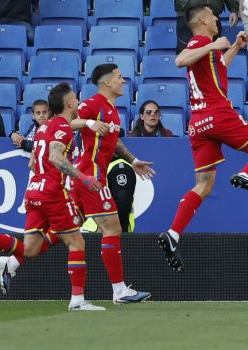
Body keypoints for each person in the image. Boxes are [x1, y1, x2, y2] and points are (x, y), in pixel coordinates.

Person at [0, 83, 107, 311]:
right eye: (75, 98)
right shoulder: (62, 129)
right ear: (69, 103)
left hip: (34, 191)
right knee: (76, 242)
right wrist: (82, 178)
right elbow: (55, 157)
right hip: (53, 193)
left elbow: (34, 162)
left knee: (31, 250)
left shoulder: (44, 128)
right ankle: (77, 300)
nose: (78, 101)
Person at [159, 5, 248, 272]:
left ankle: (173, 234)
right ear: (202, 19)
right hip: (218, 113)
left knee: (203, 185)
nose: (217, 20)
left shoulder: (205, 48)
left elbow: (217, 68)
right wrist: (214, 46)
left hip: (198, 124)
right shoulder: (201, 42)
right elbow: (180, 60)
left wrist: (233, 47)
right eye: (213, 16)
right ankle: (245, 176)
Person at [69, 63, 156, 304]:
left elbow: (114, 142)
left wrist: (134, 160)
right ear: (107, 82)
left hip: (85, 176)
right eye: (119, 77)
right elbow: (67, 123)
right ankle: (119, 290)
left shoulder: (112, 109)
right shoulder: (93, 103)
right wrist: (87, 123)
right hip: (91, 176)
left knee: (65, 229)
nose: (123, 81)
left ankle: (13, 259)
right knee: (112, 229)